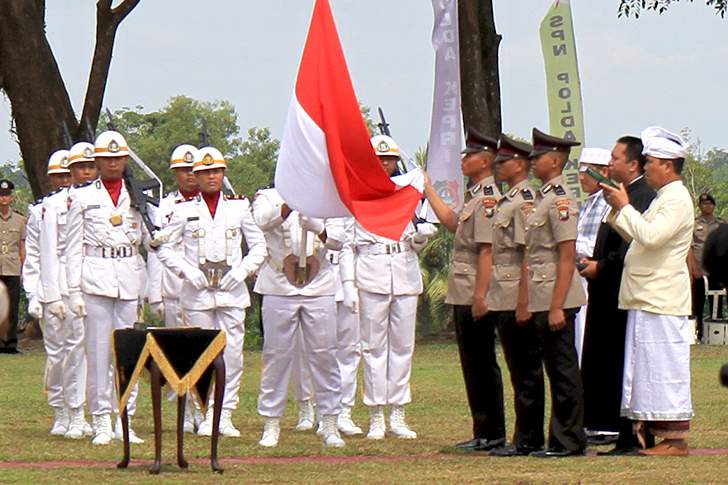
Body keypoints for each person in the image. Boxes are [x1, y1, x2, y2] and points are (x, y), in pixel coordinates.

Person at [157, 146, 267, 438]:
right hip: (198, 292)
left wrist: (242, 272)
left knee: (232, 355)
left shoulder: (239, 206)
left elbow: (259, 247)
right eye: (205, 173)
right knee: (199, 354)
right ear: (196, 175)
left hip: (231, 292)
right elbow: (163, 247)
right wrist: (186, 272)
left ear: (223, 173)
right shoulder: (183, 210)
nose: (212, 177)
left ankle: (225, 413)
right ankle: (204, 412)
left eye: (216, 171)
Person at [601, 126, 694, 456]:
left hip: (662, 298)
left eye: (650, 162)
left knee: (665, 370)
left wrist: (625, 207)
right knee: (648, 371)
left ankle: (675, 440)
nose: (646, 168)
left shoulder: (677, 199)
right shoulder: (663, 198)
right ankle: (653, 435)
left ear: (667, 165)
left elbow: (652, 237)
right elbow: (639, 236)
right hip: (647, 296)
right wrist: (618, 210)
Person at [345, 135, 435, 440]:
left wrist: (421, 238)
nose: (384, 164)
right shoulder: (359, 196)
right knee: (372, 348)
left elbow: (424, 225)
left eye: (389, 159)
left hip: (405, 273)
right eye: (379, 160)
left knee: (402, 347)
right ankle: (375, 415)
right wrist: (347, 286)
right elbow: (348, 245)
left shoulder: (407, 194)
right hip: (371, 274)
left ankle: (398, 413)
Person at [65, 130, 150, 445]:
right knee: (100, 352)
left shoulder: (137, 194)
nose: (113, 163)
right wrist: (73, 291)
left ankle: (124, 417)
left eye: (118, 157)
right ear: (98, 160)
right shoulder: (83, 197)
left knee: (128, 352)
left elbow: (149, 238)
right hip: (95, 277)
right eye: (107, 158)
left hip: (128, 276)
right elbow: (72, 248)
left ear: (125, 159)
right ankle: (101, 419)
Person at [422, 130, 505, 451]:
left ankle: (492, 432)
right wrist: (428, 190)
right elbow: (455, 224)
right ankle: (482, 430)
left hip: (475, 291)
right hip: (464, 289)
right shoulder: (474, 196)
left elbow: (487, 250)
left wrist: (482, 295)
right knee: (473, 363)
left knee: (483, 363)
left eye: (469, 155)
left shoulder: (487, 199)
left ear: (484, 161)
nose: (463, 160)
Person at [252, 188, 346, 448]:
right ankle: (271, 421)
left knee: (325, 354)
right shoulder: (267, 196)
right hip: (279, 284)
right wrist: (289, 205)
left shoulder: (328, 196)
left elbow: (338, 241)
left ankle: (329, 420)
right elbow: (263, 221)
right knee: (277, 356)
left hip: (319, 284)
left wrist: (318, 228)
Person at [579, 136, 656, 455]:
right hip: (606, 288)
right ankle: (610, 425)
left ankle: (627, 432)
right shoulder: (618, 194)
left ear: (633, 164)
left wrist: (603, 267)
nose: (611, 164)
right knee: (603, 361)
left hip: (621, 287)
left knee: (620, 364)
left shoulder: (641, 196)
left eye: (615, 158)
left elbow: (634, 244)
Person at [523, 128, 586, 458]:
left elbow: (566, 254)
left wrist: (558, 306)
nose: (532, 162)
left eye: (538, 157)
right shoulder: (545, 196)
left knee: (563, 370)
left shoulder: (560, 198)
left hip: (556, 296)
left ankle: (569, 440)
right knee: (554, 368)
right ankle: (559, 437)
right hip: (543, 292)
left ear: (554, 160)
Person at [487, 135, 546, 457]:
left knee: (526, 371)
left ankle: (529, 437)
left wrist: (525, 300)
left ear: (520, 165)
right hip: (503, 291)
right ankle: (524, 435)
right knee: (517, 369)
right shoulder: (508, 199)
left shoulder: (524, 201)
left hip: (516, 294)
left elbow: (528, 252)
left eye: (503, 162)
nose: (497, 167)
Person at [40, 142, 99, 439]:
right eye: (77, 169)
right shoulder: (51, 205)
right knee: (65, 352)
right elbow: (45, 253)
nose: (84, 173)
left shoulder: (103, 200)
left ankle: (99, 414)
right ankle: (68, 411)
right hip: (62, 285)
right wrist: (45, 294)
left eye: (91, 166)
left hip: (96, 281)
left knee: (95, 351)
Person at [21, 149, 72, 435]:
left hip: (80, 288)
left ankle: (80, 412)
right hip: (51, 289)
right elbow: (34, 258)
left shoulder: (87, 205)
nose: (64, 180)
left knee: (83, 355)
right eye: (59, 176)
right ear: (50, 179)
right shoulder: (40, 210)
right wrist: (33, 294)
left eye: (68, 174)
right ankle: (60, 410)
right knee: (56, 355)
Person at [147, 144, 200, 330]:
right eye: (184, 170)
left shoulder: (214, 205)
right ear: (175, 173)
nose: (190, 174)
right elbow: (156, 250)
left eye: (194, 169)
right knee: (176, 348)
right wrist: (155, 294)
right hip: (174, 287)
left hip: (204, 287)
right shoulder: (164, 207)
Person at [573, 148, 611, 366]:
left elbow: (596, 241)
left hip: (592, 273)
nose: (581, 176)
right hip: (579, 274)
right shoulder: (589, 202)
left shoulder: (606, 202)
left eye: (587, 171)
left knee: (587, 329)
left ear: (603, 172)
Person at [689, 192, 725, 341]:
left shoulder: (721, 224)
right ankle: (698, 334)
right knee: (697, 303)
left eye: (710, 203)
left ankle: (716, 336)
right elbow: (688, 247)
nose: (707, 206)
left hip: (716, 270)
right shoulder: (694, 223)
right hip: (698, 270)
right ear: (700, 206)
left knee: (716, 303)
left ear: (714, 205)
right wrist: (693, 268)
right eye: (704, 203)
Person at [0, 179, 26, 354]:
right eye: (1, 195)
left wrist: (24, 269)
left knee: (12, 307)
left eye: (7, 195)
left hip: (13, 268)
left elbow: (22, 247)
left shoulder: (20, 220)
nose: (4, 198)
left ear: (12, 197)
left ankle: (11, 343)